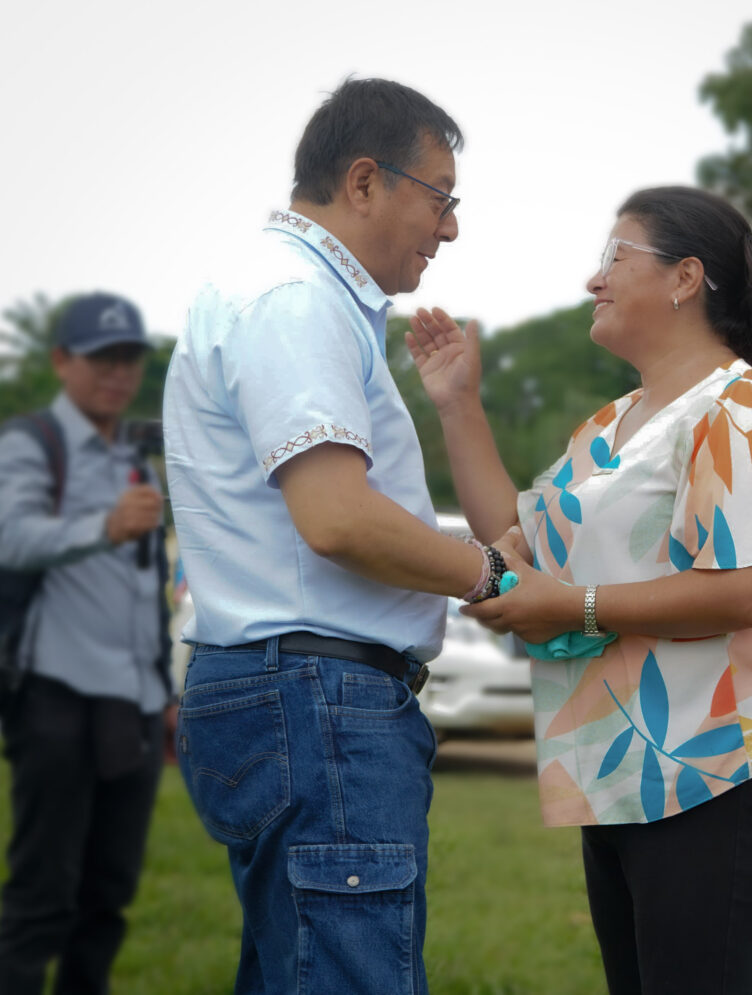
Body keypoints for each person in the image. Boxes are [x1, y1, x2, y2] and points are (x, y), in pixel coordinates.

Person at [405, 186, 752, 994]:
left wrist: (571, 606)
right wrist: (459, 404)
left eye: (615, 256)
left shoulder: (736, 405)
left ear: (685, 278)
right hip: (625, 773)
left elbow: (746, 589)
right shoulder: (611, 426)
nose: (594, 279)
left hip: (719, 765)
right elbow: (519, 538)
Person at [162, 77, 514, 995]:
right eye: (440, 197)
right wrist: (490, 573)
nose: (449, 228)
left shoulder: (282, 293)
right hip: (318, 699)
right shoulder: (294, 299)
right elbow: (337, 517)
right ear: (364, 182)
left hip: (291, 691)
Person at [0, 292, 176, 995]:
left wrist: (164, 690)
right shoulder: (31, 443)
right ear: (61, 361)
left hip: (135, 704)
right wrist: (103, 527)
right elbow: (11, 537)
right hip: (56, 697)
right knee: (42, 894)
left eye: (129, 358)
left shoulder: (134, 456)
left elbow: (144, 585)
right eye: (102, 358)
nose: (118, 372)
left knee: (108, 895)